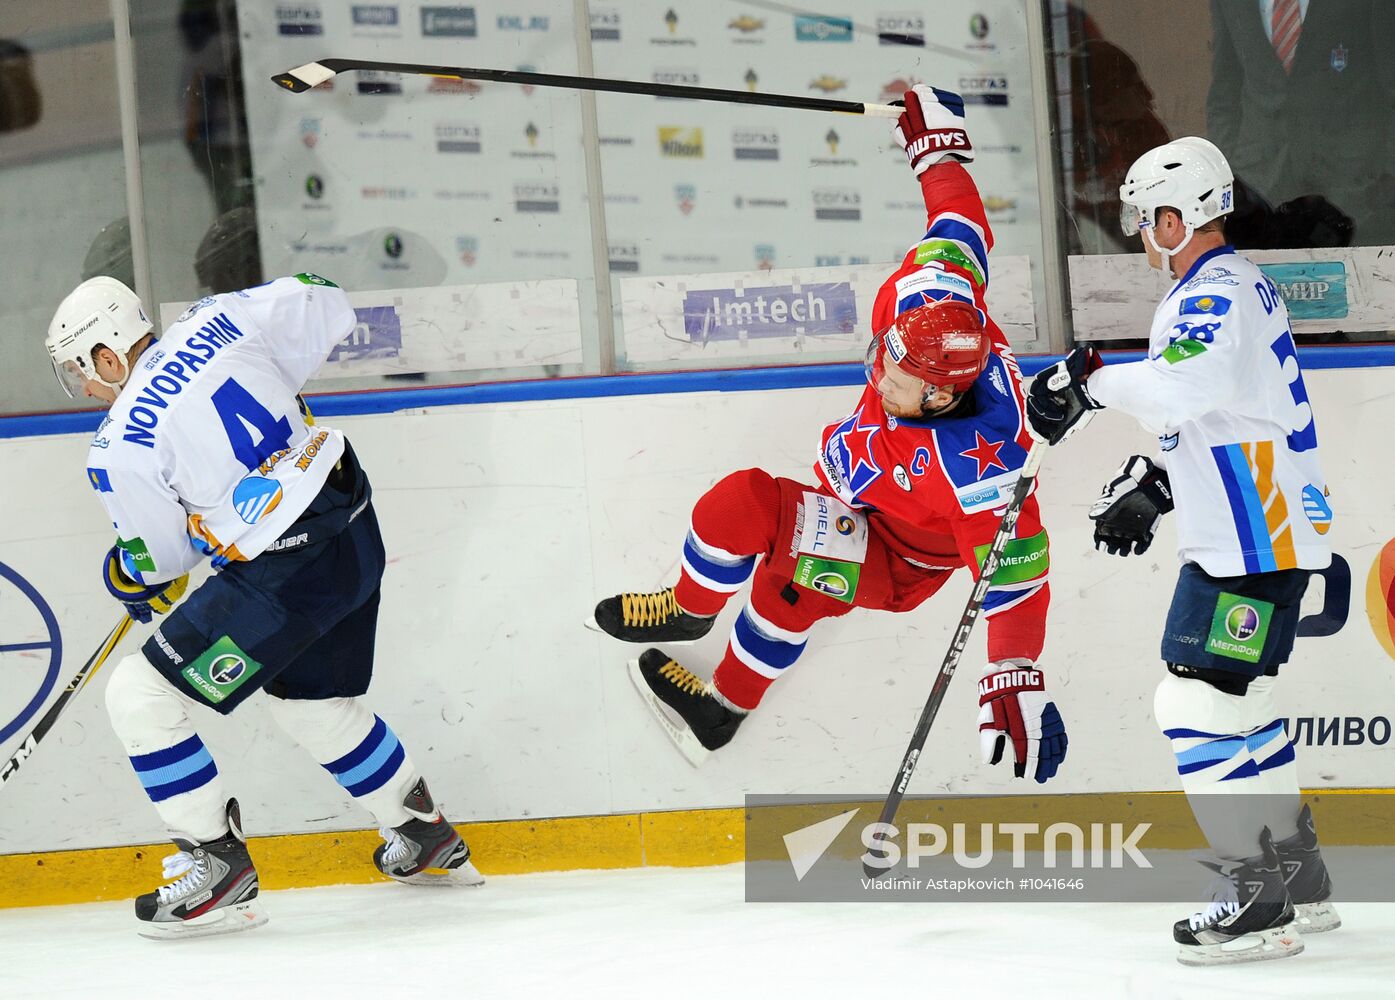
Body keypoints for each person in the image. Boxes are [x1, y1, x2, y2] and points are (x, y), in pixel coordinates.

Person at [586, 86, 1067, 784]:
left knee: (773, 547)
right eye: (884, 357)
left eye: (896, 379)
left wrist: (1013, 672)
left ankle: (722, 705)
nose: (879, 375)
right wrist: (935, 146)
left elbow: (1017, 588)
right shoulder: (928, 301)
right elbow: (960, 222)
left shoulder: (986, 474)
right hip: (857, 500)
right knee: (761, 535)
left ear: (940, 393)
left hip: (898, 559)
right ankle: (691, 615)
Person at [44, 272, 481, 939]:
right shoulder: (216, 318)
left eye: (85, 372)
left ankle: (217, 869)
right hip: (352, 518)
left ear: (108, 354)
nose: (89, 389)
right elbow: (324, 297)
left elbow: (163, 565)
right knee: (310, 702)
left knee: (139, 693)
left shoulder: (118, 444)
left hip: (290, 567)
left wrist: (132, 572)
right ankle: (420, 830)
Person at [1023, 136, 1338, 966]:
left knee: (1192, 704)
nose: (1137, 234)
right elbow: (1214, 409)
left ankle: (1257, 897)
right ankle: (1294, 877)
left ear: (1176, 217)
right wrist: (1156, 480)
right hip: (1257, 531)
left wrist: (1088, 382)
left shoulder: (1216, 292)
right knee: (1239, 705)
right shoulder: (1228, 289)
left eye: (1144, 219)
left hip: (1251, 537)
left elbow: (1180, 387)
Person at [1208, 0, 1395, 246]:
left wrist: (1384, 175)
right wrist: (1229, 174)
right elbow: (1225, 93)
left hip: (1356, 197)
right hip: (1260, 195)